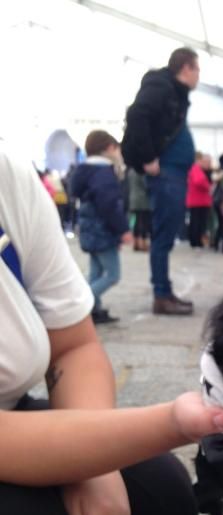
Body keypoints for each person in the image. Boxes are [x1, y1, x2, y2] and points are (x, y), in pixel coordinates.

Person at [0, 146, 223, 515]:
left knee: (163, 496)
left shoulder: (9, 177)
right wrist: (167, 424)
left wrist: (96, 466)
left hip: (13, 413)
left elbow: (74, 344)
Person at [121, 47, 200, 316]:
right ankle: (161, 295)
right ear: (187, 68)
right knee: (163, 238)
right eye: (197, 69)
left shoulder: (173, 91)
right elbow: (136, 115)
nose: (198, 76)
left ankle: (164, 292)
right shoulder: (161, 85)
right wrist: (148, 157)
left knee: (164, 237)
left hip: (173, 176)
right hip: (166, 175)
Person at [70, 130, 133, 324]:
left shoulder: (83, 171)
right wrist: (122, 230)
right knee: (113, 275)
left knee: (96, 272)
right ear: (109, 148)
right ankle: (81, 308)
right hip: (103, 231)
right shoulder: (104, 173)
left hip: (90, 228)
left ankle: (93, 311)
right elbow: (110, 205)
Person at [186, 152, 213, 248]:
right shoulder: (196, 168)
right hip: (198, 200)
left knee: (198, 221)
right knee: (197, 222)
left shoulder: (197, 169)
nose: (209, 164)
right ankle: (195, 241)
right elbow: (199, 181)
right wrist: (209, 186)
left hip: (199, 200)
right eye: (207, 162)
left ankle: (197, 240)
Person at [127, 168, 152, 252]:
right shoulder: (141, 171)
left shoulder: (130, 171)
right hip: (143, 200)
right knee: (143, 222)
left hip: (133, 199)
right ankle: (143, 243)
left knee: (136, 222)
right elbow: (146, 185)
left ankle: (136, 243)